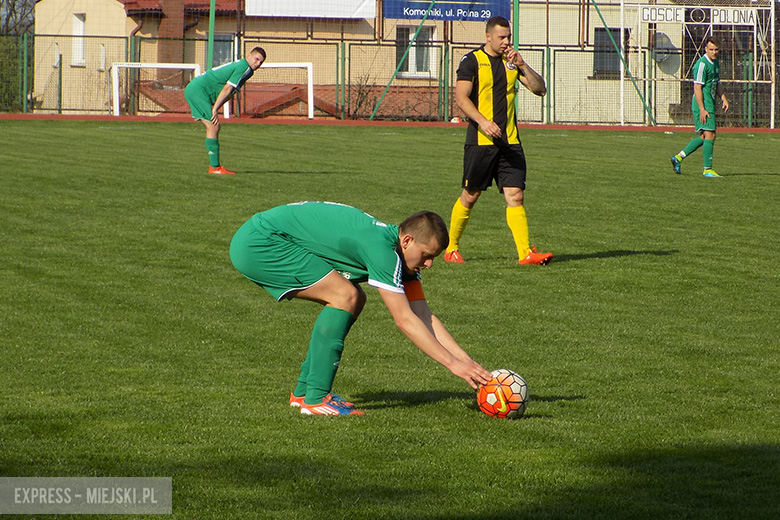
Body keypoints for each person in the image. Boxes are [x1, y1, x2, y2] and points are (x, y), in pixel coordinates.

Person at [229, 201, 492, 416]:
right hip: (260, 243)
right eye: (427, 255)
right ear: (407, 240)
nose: (430, 263)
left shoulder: (398, 253)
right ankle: (316, 398)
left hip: (266, 237)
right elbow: (404, 320)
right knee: (346, 296)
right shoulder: (382, 251)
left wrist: (465, 361)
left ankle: (303, 393)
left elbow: (423, 315)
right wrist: (451, 365)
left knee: (352, 297)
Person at [444, 16, 552, 266]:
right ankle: (451, 248)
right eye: (502, 37)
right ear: (488, 36)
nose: (506, 42)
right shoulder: (471, 61)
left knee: (515, 195)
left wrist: (523, 65)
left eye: (509, 37)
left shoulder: (512, 63)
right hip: (481, 142)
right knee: (470, 195)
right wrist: (483, 121)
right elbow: (461, 98)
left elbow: (540, 89)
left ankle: (525, 253)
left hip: (511, 142)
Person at [184, 47, 266, 175]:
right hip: (198, 91)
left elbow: (228, 93)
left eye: (261, 62)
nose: (258, 64)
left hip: (199, 90)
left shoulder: (247, 70)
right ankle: (214, 168)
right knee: (213, 126)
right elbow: (227, 89)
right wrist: (215, 109)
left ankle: (215, 167)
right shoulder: (243, 67)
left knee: (213, 126)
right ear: (249, 55)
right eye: (256, 59)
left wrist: (215, 107)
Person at [670, 36, 730, 178]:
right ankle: (707, 169)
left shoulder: (715, 63)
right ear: (705, 49)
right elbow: (697, 87)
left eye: (716, 49)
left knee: (704, 136)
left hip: (710, 103)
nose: (714, 52)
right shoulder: (701, 64)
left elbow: (717, 83)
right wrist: (702, 109)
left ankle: (678, 158)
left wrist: (724, 98)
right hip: (702, 105)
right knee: (710, 134)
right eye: (711, 49)